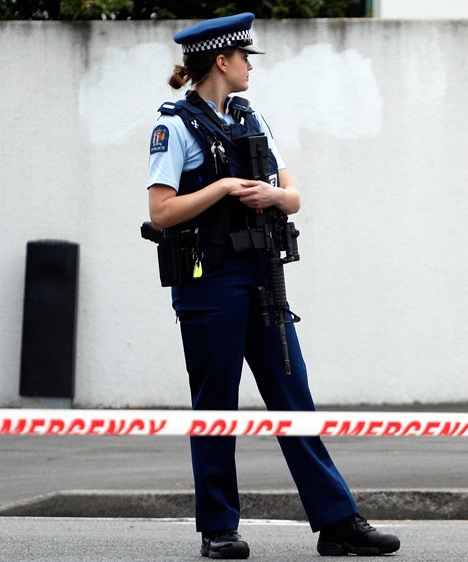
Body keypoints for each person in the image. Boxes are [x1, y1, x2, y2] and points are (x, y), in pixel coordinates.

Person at [145, 13, 401, 559]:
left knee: (293, 396)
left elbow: (293, 195)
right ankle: (219, 529)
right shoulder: (175, 126)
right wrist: (222, 187)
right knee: (215, 404)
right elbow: (161, 211)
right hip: (209, 282)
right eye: (245, 58)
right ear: (221, 61)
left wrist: (274, 197)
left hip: (263, 276)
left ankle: (337, 522)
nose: (250, 67)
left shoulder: (250, 117)